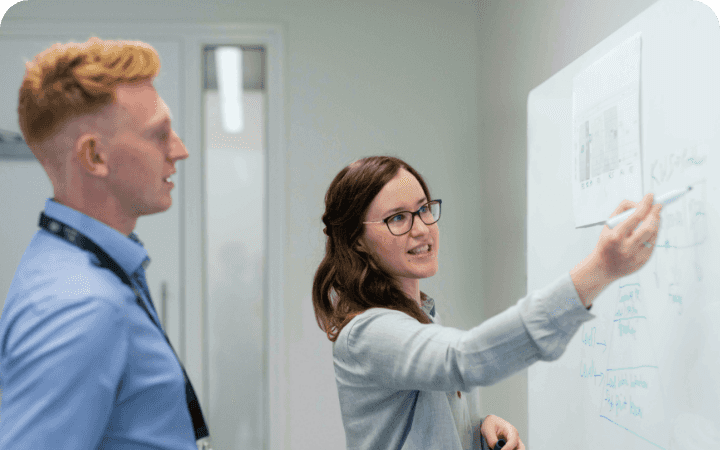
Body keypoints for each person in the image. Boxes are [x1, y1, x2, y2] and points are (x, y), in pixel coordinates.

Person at [312, 156, 662, 449]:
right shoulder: (367, 333)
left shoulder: (421, 317)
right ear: (357, 240)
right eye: (398, 218)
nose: (421, 229)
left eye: (423, 209)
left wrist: (475, 428)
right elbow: (463, 359)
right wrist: (599, 270)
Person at [0, 37, 209, 449]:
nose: (179, 151)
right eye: (159, 134)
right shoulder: (80, 305)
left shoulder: (82, 266)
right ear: (94, 156)